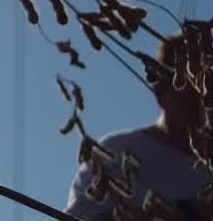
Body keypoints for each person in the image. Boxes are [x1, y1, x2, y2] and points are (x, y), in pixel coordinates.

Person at [65, 33, 211, 220]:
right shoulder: (115, 152)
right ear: (161, 93)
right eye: (193, 90)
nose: (204, 102)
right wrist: (188, 211)